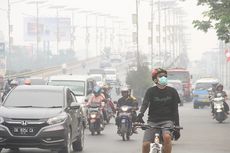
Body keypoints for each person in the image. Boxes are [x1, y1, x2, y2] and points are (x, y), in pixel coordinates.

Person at [136, 68, 181, 153]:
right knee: (145, 145)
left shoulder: (173, 91)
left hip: (167, 121)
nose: (163, 77)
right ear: (155, 79)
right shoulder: (150, 91)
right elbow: (145, 104)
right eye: (161, 76)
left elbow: (175, 110)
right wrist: (140, 115)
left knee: (167, 137)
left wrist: (177, 127)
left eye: (165, 76)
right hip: (152, 122)